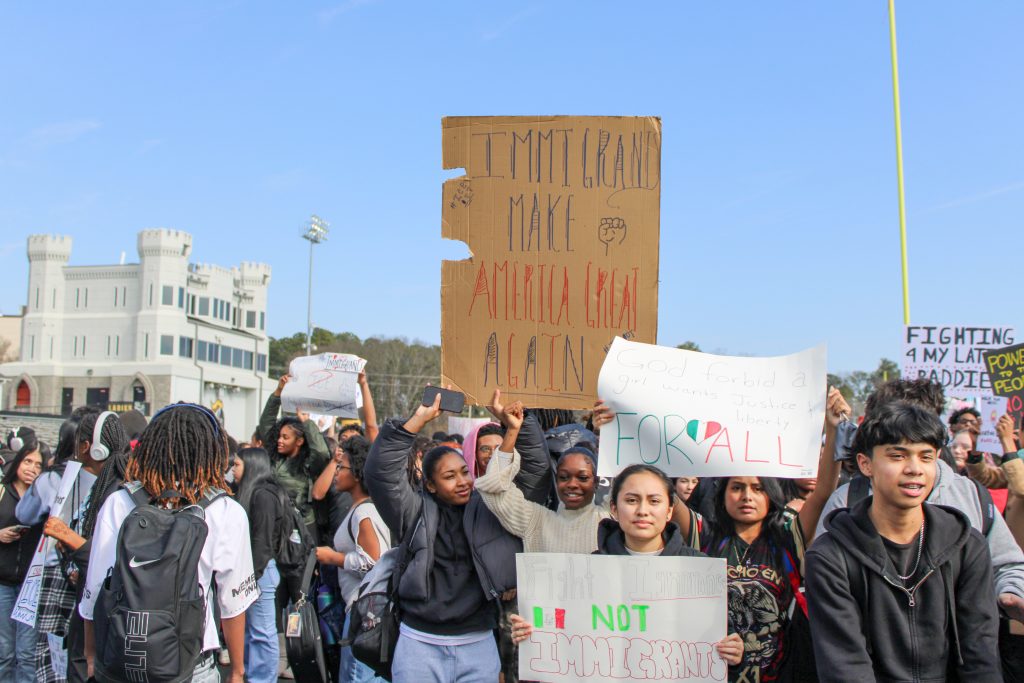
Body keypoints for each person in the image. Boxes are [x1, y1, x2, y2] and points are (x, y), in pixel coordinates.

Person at [805, 401, 1001, 681]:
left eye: (926, 456)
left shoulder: (967, 545)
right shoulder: (829, 556)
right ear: (865, 464)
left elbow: (980, 656)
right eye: (897, 456)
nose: (914, 469)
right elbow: (845, 666)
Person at [676, 387, 849, 682]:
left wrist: (832, 430)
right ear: (723, 493)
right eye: (737, 487)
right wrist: (618, 432)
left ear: (771, 495)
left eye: (757, 488)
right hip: (711, 670)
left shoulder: (786, 535)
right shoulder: (705, 535)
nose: (747, 496)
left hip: (779, 673)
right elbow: (660, 489)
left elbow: (822, 492)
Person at [365, 392, 537, 683]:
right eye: (449, 477)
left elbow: (535, 476)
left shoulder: (489, 507)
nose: (463, 482)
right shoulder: (413, 513)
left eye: (465, 472)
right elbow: (379, 473)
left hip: (478, 645)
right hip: (419, 645)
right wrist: (418, 419)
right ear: (429, 485)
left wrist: (518, 427)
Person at [80, 403, 258, 683]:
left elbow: (95, 588)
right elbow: (232, 602)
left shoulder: (119, 502)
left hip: (120, 655)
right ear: (212, 451)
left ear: (151, 445)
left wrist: (91, 656)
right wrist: (237, 670)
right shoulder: (226, 512)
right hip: (190, 662)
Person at [42, 411, 131, 683]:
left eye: (80, 440)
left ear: (90, 447)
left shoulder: (116, 494)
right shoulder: (106, 487)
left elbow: (105, 558)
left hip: (102, 611)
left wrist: (67, 536)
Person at [315, 435, 391, 683]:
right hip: (362, 609)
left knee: (358, 676)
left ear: (357, 473)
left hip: (365, 611)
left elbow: (373, 562)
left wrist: (333, 557)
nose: (337, 472)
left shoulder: (364, 512)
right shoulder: (361, 508)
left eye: (342, 467)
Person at [231, 447, 286, 683]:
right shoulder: (250, 492)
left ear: (251, 466)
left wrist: (249, 578)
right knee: (253, 631)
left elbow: (261, 543)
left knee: (262, 632)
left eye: (237, 465)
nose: (232, 469)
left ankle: (263, 679)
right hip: (253, 571)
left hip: (259, 572)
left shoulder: (263, 495)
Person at [0, 443, 45, 683]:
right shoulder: (1, 491)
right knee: (4, 652)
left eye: (38, 464)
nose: (32, 468)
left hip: (32, 585)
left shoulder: (43, 497)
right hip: (3, 583)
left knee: (27, 654)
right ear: (18, 462)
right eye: (28, 461)